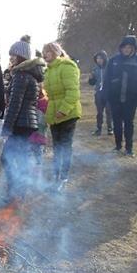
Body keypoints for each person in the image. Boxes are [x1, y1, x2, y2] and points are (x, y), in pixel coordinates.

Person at [1, 41, 44, 203]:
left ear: (21, 56)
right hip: (28, 123)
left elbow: (15, 104)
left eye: (13, 55)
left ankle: (14, 191)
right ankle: (20, 191)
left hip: (20, 123)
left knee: (7, 157)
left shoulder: (21, 75)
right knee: (21, 158)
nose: (10, 58)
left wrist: (7, 128)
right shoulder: (30, 75)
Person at [42, 42, 81, 191]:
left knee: (65, 146)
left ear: (56, 52)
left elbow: (73, 92)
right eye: (43, 52)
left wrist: (64, 110)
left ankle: (63, 178)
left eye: (48, 51)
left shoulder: (67, 66)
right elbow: (49, 95)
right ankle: (56, 175)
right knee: (57, 146)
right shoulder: (48, 71)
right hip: (54, 113)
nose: (45, 54)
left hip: (68, 114)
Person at [105, 35, 137, 156]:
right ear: (121, 48)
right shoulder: (113, 61)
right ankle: (118, 146)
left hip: (131, 99)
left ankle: (129, 148)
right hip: (115, 98)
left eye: (130, 47)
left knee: (129, 123)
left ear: (134, 48)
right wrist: (108, 96)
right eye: (125, 47)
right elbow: (107, 79)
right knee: (117, 123)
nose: (127, 50)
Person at [89, 51, 112, 135]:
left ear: (104, 59)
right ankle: (99, 129)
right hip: (98, 93)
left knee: (109, 111)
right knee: (99, 112)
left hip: (108, 93)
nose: (99, 60)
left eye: (101, 58)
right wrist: (91, 79)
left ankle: (110, 128)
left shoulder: (110, 68)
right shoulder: (95, 69)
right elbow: (92, 83)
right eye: (97, 58)